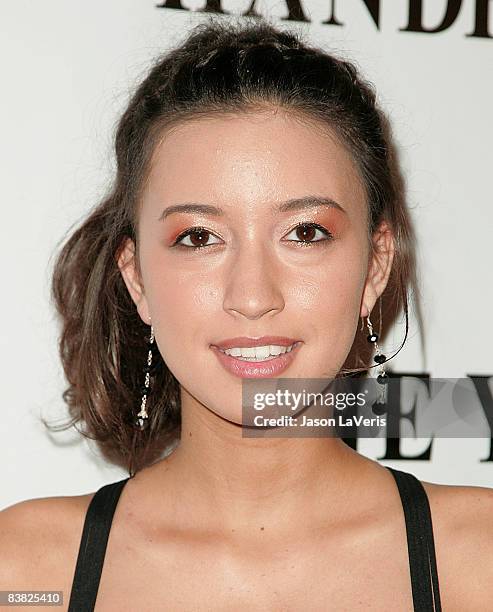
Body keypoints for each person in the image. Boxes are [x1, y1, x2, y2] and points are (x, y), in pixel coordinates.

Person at [1, 15, 492, 611]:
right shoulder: (26, 571)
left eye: (305, 232)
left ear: (376, 265)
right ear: (137, 278)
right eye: (199, 236)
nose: (253, 295)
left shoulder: (478, 558)